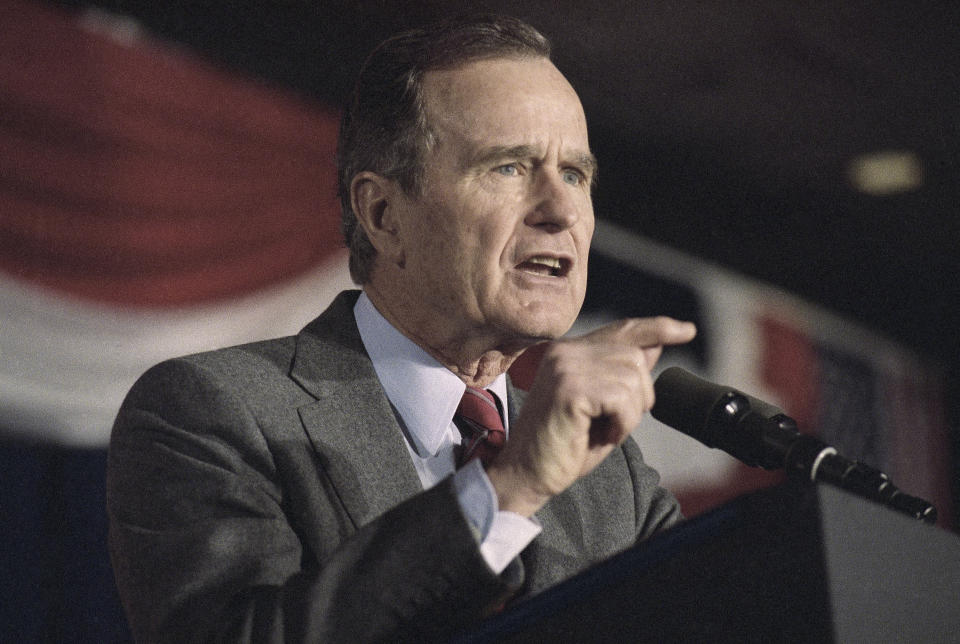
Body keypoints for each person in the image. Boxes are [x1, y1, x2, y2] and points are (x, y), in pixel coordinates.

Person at [107, 15, 697, 643]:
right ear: (384, 215)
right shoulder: (213, 412)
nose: (560, 211)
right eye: (509, 168)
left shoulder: (615, 481)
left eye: (575, 174)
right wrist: (510, 488)